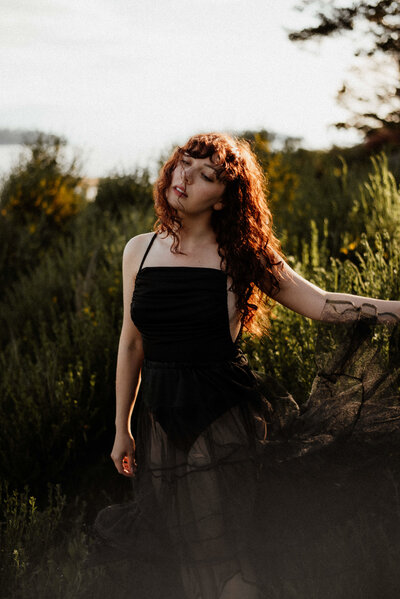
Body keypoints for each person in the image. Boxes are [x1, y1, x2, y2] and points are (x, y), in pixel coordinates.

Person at [89, 133, 400, 599]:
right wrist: (122, 427)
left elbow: (320, 304)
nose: (185, 177)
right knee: (186, 553)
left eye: (206, 175)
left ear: (224, 199)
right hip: (160, 422)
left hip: (219, 418)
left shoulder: (241, 255)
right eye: (184, 163)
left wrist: (395, 309)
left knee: (222, 550)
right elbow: (131, 343)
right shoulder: (140, 250)